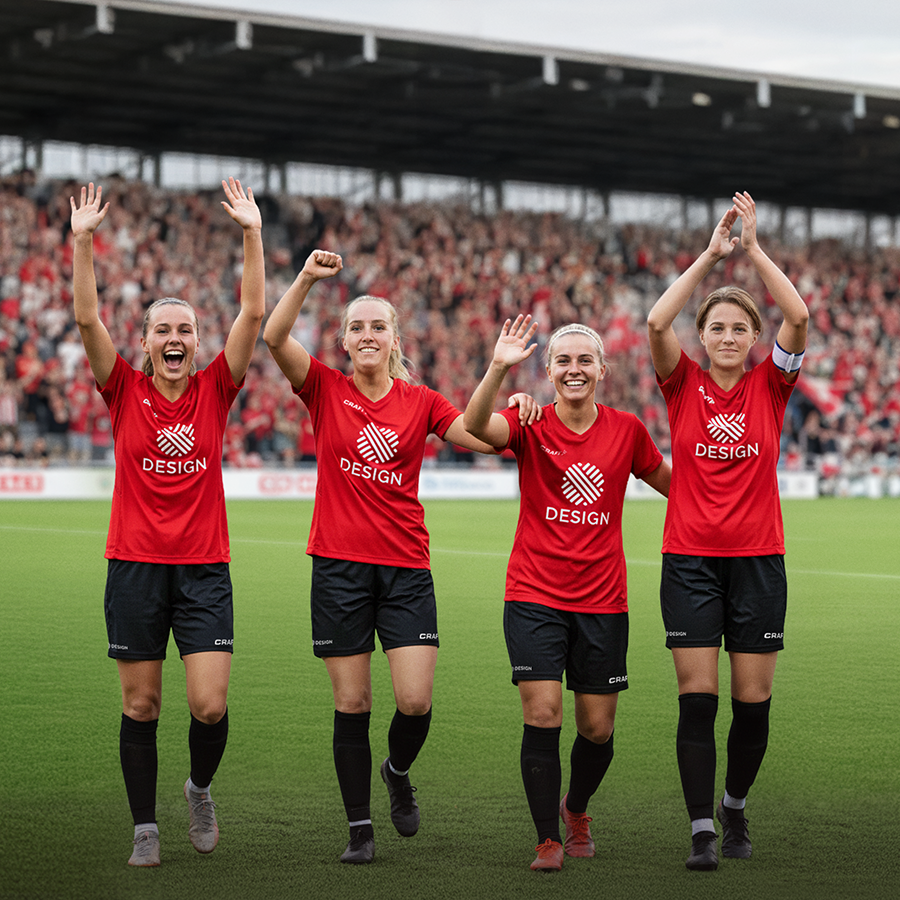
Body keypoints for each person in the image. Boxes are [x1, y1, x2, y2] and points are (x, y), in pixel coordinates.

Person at [262, 250, 538, 865]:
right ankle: (359, 829)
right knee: (352, 703)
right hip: (338, 568)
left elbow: (483, 437)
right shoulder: (324, 389)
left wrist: (513, 404)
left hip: (406, 569)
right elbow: (274, 335)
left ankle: (396, 769)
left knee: (414, 702)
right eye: (356, 326)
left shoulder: (423, 402)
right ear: (343, 340)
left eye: (377, 326)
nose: (366, 335)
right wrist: (307, 278)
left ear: (393, 340)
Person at [70, 178, 265, 867]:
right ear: (147, 343)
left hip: (204, 568)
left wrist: (251, 231)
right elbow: (89, 320)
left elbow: (251, 312)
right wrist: (84, 241)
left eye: (185, 329)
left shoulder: (216, 387)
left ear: (194, 341)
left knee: (209, 706)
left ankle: (199, 787)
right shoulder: (122, 387)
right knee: (143, 705)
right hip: (135, 568)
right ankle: (145, 827)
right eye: (164, 330)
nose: (176, 338)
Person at [464, 316, 671, 872]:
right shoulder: (527, 421)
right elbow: (474, 426)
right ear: (548, 370)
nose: (574, 369)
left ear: (603, 370)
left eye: (585, 361)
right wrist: (500, 367)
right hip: (534, 593)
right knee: (544, 713)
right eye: (563, 361)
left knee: (597, 729)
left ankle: (575, 808)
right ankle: (546, 840)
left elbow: (678, 488)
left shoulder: (627, 430)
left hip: (603, 599)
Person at [646, 191, 809, 871]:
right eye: (716, 327)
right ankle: (701, 829)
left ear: (752, 339)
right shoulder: (681, 383)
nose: (728, 337)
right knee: (697, 700)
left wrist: (755, 251)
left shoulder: (773, 386)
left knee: (752, 703)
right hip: (689, 562)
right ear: (704, 335)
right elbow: (657, 320)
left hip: (758, 563)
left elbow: (798, 315)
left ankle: (736, 803)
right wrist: (712, 255)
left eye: (739, 328)